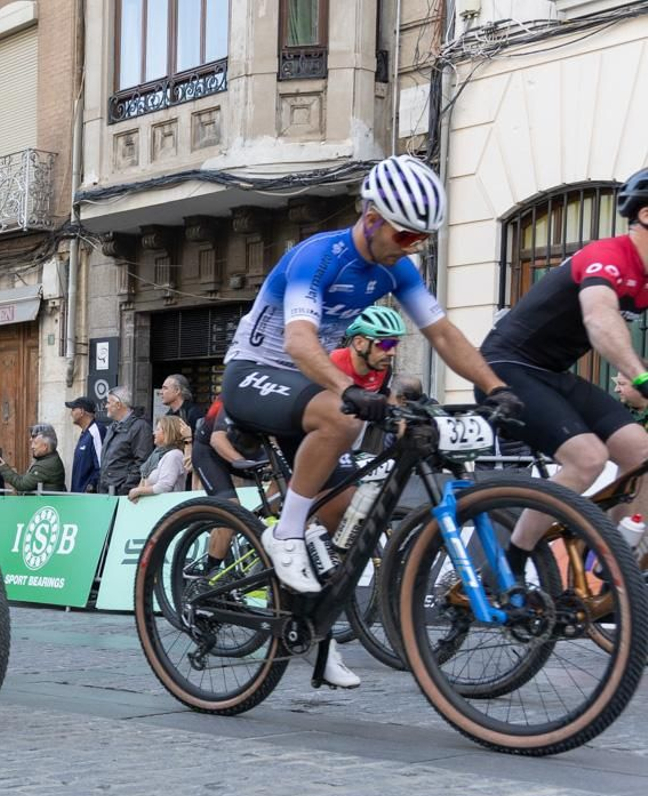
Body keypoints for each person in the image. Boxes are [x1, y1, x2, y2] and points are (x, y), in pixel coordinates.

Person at [221, 154, 519, 600]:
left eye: (421, 237)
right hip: (254, 373)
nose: (412, 245)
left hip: (305, 388)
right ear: (373, 218)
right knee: (343, 417)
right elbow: (299, 342)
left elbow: (442, 333)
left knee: (341, 514)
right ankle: (284, 534)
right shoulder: (319, 258)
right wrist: (349, 390)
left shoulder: (396, 269)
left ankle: (312, 634)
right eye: (405, 234)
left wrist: (496, 387)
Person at [474, 166, 648, 566]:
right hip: (505, 369)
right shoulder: (608, 255)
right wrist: (639, 375)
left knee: (640, 451)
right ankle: (514, 560)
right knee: (587, 459)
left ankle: (618, 564)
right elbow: (599, 318)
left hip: (551, 375)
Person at [332, 306, 406, 393]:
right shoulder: (331, 365)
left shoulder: (383, 367)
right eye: (386, 344)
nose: (392, 352)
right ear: (359, 343)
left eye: (394, 344)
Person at [97, 386, 153, 494]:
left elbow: (142, 462)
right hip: (107, 491)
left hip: (122, 494)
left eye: (108, 402)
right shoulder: (113, 427)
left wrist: (125, 488)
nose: (105, 406)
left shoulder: (140, 427)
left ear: (118, 404)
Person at [128, 416, 190, 501]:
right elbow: (145, 478)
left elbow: (164, 486)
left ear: (168, 432)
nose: (154, 433)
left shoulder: (174, 455)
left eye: (158, 429)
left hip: (167, 508)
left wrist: (138, 491)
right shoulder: (156, 454)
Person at [0, 424, 66, 493]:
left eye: (35, 443)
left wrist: (4, 469)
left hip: (43, 503)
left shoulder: (44, 466)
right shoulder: (49, 458)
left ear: (45, 446)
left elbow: (22, 484)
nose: (32, 447)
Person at [64, 396, 107, 493]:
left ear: (82, 411)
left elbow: (101, 464)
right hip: (79, 496)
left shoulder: (96, 430)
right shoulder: (85, 433)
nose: (71, 413)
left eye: (73, 409)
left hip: (89, 498)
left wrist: (91, 486)